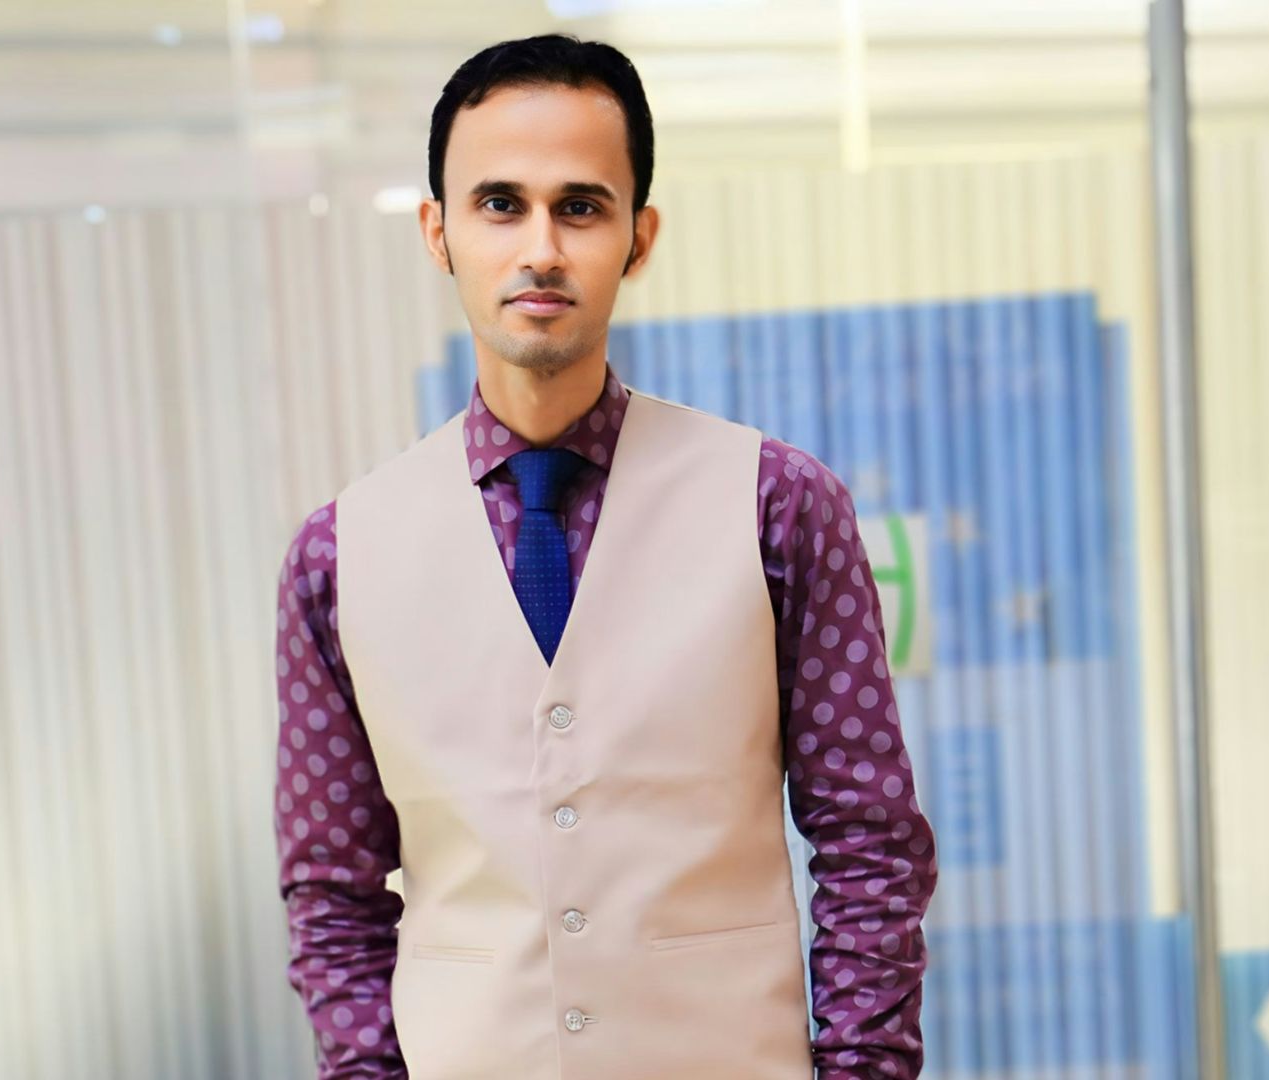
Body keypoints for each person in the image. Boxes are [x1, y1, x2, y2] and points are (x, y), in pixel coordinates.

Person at [272, 33, 937, 1079]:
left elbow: (869, 846)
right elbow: (334, 896)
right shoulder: (336, 558)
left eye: (580, 206)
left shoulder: (779, 505)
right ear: (438, 232)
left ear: (638, 236)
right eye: (501, 204)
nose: (541, 246)